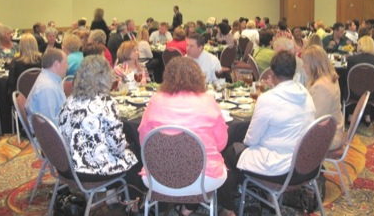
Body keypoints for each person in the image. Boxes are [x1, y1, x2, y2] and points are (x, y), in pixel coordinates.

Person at [218, 51, 316, 216]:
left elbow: (250, 140)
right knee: (240, 135)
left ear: (272, 72)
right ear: (293, 71)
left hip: (279, 167)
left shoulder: (268, 99)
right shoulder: (305, 94)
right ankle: (256, 193)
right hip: (304, 162)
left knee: (229, 151)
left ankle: (227, 208)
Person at [139, 57, 228, 216]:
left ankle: (181, 207)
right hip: (202, 179)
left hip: (159, 177)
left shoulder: (156, 100)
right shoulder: (208, 101)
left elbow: (144, 142)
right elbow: (221, 144)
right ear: (198, 76)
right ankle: (188, 207)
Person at [58, 55, 139, 196]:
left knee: (108, 147)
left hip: (66, 165)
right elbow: (117, 147)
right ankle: (132, 201)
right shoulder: (106, 103)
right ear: (104, 77)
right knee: (136, 152)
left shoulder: (69, 100)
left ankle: (112, 195)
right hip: (90, 171)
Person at [302, 45, 344, 149]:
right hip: (330, 130)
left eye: (305, 64)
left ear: (313, 65)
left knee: (286, 139)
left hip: (328, 137)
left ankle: (303, 164)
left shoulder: (321, 86)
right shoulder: (330, 76)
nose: (303, 67)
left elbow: (314, 119)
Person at [25, 48, 67, 127]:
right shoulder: (47, 88)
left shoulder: (51, 79)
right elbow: (50, 125)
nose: (68, 66)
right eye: (66, 62)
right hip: (49, 136)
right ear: (56, 64)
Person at [346, 35, 374, 125]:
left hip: (353, 93)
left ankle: (350, 114)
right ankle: (367, 115)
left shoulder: (351, 59)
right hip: (371, 93)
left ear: (360, 45)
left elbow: (348, 77)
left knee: (351, 84)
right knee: (368, 84)